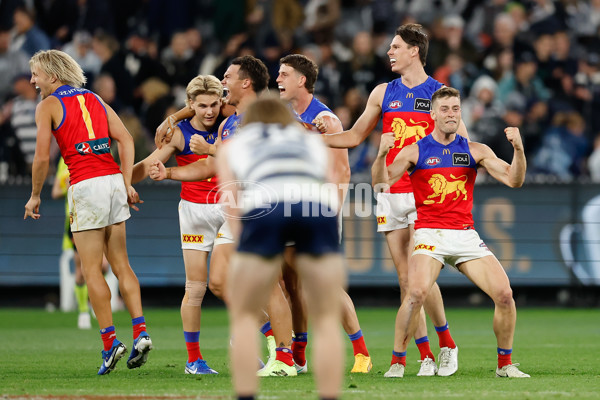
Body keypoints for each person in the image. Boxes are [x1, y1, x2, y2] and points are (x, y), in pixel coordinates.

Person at [322, 23, 464, 376]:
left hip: (424, 194)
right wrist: (315, 139)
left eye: (396, 47)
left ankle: (447, 345)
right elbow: (355, 135)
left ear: (414, 50)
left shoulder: (439, 93)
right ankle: (426, 355)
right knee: (406, 281)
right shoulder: (383, 92)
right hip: (389, 192)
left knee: (421, 280)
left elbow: (461, 142)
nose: (389, 52)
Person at [372, 86, 529, 378]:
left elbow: (514, 180)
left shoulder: (474, 150)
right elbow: (381, 184)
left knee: (505, 295)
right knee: (415, 292)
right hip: (429, 233)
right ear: (432, 114)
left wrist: (519, 150)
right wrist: (381, 155)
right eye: (444, 109)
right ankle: (398, 361)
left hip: (464, 235)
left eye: (455, 109)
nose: (451, 114)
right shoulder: (415, 151)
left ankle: (505, 365)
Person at [150, 56, 291, 371]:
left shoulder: (266, 112)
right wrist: (173, 122)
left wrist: (209, 148)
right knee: (217, 283)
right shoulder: (230, 120)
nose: (222, 81)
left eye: (227, 77)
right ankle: (274, 348)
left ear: (244, 82)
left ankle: (285, 356)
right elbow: (212, 164)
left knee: (272, 283)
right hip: (232, 204)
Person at [24, 50, 151, 375]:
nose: (32, 80)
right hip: (111, 181)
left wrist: (35, 194)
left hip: (85, 184)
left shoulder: (48, 105)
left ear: (53, 75)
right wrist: (125, 183)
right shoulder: (94, 97)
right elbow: (124, 139)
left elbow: (41, 158)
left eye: (36, 74)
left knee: (91, 269)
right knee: (122, 265)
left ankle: (110, 344)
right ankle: (141, 332)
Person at [218, 95, 345, 400]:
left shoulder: (236, 144)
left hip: (267, 204)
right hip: (317, 209)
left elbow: (230, 201)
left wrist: (245, 249)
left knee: (246, 315)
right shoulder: (311, 142)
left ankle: (246, 395)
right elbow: (330, 182)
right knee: (326, 318)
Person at [275, 53, 372, 374]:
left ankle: (361, 352)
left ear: (301, 80)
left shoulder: (326, 120)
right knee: (290, 282)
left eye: (284, 74)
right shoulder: (286, 117)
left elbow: (342, 172)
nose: (278, 79)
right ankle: (299, 353)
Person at [132, 75, 227, 374]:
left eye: (214, 104)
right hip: (194, 212)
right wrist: (122, 181)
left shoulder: (232, 122)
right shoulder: (179, 134)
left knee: (230, 283)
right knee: (195, 289)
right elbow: (150, 164)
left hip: (229, 209)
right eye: (202, 106)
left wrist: (173, 115)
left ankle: (254, 344)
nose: (209, 111)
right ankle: (193, 360)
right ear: (191, 105)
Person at [52, 157, 120, 329]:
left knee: (103, 266)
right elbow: (55, 192)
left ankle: (94, 303)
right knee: (81, 268)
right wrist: (69, 188)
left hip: (99, 216)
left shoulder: (96, 150)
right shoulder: (64, 161)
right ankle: (83, 312)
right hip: (77, 220)